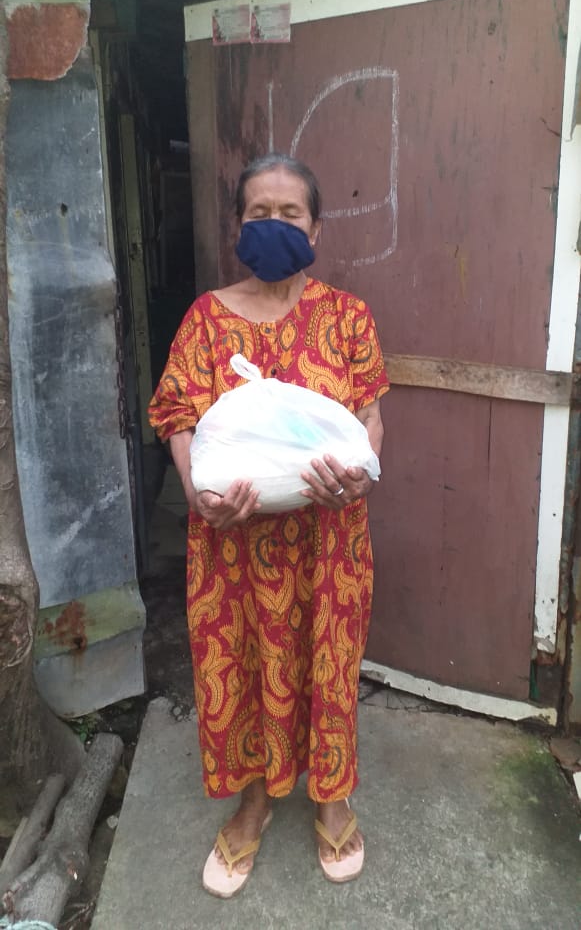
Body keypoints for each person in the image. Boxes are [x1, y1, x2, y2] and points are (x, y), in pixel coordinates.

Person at [148, 152, 389, 897]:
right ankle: (253, 799)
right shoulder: (206, 319)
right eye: (259, 212)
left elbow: (369, 416)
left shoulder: (347, 317)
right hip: (233, 544)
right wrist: (197, 493)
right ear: (238, 225)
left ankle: (330, 793)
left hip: (328, 538)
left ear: (315, 228)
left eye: (290, 213)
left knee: (328, 664)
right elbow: (176, 416)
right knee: (244, 666)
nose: (274, 223)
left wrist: (360, 475)